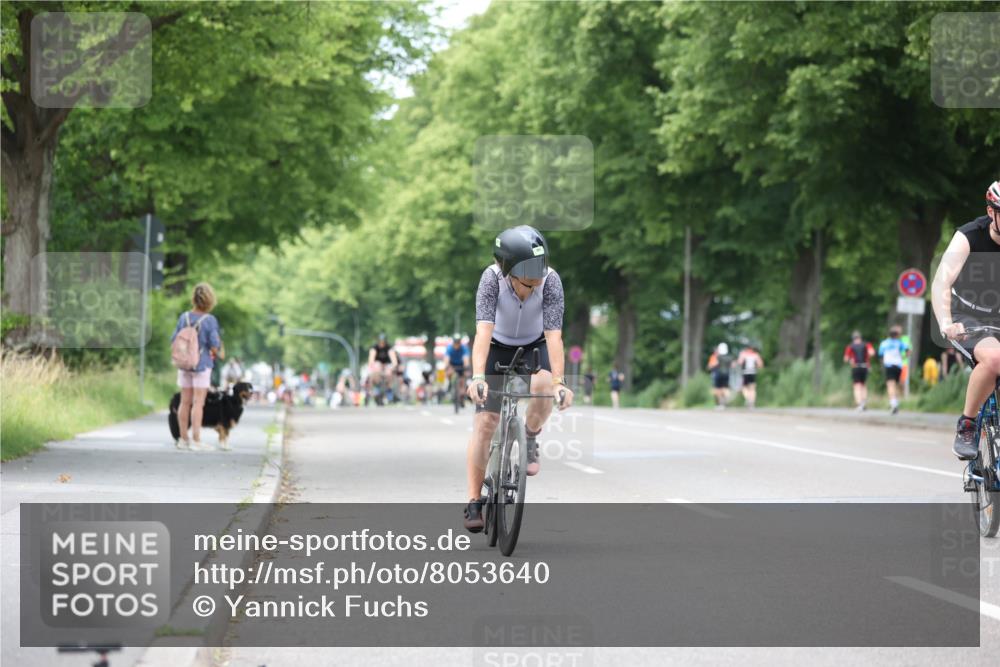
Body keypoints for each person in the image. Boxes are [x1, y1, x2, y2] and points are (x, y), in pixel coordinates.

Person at [464, 225, 574, 531]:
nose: (537, 277)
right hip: (496, 346)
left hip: (534, 344)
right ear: (508, 269)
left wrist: (559, 382)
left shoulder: (550, 281)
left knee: (543, 388)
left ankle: (529, 435)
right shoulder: (490, 280)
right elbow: (482, 333)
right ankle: (474, 500)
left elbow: (554, 336)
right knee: (486, 422)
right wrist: (477, 377)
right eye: (529, 271)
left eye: (540, 267)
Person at [931, 179, 1000, 459]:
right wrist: (946, 322)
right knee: (995, 359)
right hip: (968, 316)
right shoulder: (969, 236)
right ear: (991, 211)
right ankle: (968, 424)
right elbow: (941, 283)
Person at [170, 283, 223, 451]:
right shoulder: (210, 320)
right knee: (198, 403)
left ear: (193, 298)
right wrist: (219, 352)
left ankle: (183, 440)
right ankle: (196, 440)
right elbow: (214, 345)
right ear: (210, 300)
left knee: (184, 403)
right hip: (202, 365)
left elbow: (174, 339)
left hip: (184, 365)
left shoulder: (183, 317)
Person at [877, 325, 909, 415]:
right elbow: (908, 351)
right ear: (897, 335)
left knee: (890, 385)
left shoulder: (884, 343)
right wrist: (903, 357)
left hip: (889, 365)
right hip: (898, 366)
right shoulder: (900, 343)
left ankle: (893, 403)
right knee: (897, 385)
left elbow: (880, 355)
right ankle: (896, 402)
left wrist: (883, 362)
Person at [843, 331, 875, 411]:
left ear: (853, 339)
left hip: (856, 367)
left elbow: (845, 359)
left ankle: (859, 404)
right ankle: (863, 403)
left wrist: (851, 359)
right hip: (865, 367)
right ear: (860, 338)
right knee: (863, 385)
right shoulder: (866, 344)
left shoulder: (850, 346)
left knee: (857, 386)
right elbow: (872, 353)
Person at [367, 333, 398, 404]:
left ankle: (389, 390)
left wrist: (392, 366)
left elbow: (394, 360)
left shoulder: (389, 348)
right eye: (380, 341)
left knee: (390, 373)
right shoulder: (374, 348)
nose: (382, 343)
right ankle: (375, 388)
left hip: (386, 365)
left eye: (383, 341)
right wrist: (373, 366)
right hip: (377, 367)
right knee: (376, 369)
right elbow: (371, 360)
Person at [446, 334, 470, 405]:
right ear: (453, 342)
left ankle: (462, 395)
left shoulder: (464, 348)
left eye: (458, 342)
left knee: (463, 379)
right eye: (455, 342)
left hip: (461, 365)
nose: (457, 344)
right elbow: (446, 358)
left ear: (460, 342)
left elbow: (466, 358)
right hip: (452, 364)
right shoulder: (449, 348)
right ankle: (450, 383)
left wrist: (467, 367)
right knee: (449, 372)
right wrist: (447, 366)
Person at [707, 343, 732, 409]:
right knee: (725, 388)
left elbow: (712, 365)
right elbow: (731, 365)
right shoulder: (729, 357)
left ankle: (721, 403)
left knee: (718, 389)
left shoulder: (717, 357)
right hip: (727, 374)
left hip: (719, 374)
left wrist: (711, 367)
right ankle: (726, 400)